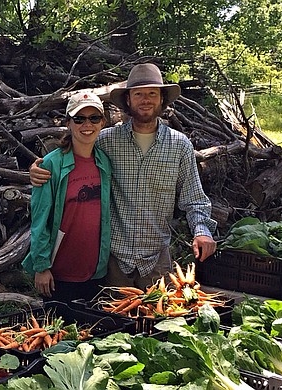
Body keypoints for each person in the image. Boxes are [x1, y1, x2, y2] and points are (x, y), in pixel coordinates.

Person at [29, 63, 217, 291]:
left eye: (152, 93)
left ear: (162, 99)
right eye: (138, 94)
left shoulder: (180, 146)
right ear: (128, 100)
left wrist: (202, 232)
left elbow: (194, 198)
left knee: (157, 323)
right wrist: (39, 169)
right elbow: (74, 146)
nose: (145, 100)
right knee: (112, 324)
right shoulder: (106, 141)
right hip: (113, 262)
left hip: (157, 262)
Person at [21, 92, 112, 304]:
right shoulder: (51, 165)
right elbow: (40, 219)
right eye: (79, 119)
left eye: (94, 118)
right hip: (59, 272)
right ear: (68, 123)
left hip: (95, 270)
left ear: (102, 122)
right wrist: (41, 267)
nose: (86, 125)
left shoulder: (105, 162)